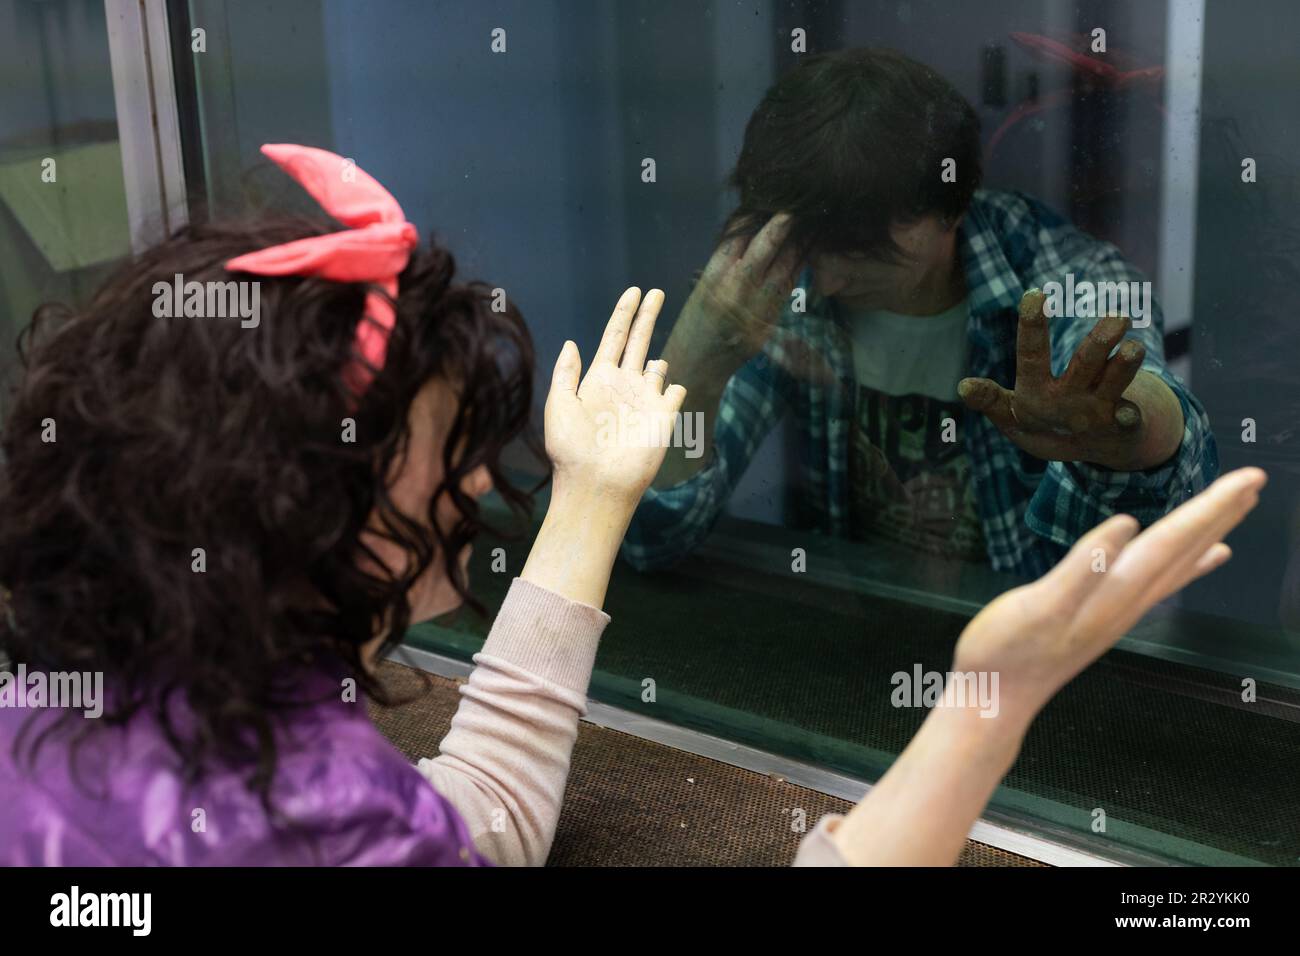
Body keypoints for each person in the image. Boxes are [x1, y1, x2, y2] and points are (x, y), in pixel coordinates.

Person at [0, 144, 1262, 867]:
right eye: (448, 454)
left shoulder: (55, 709)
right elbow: (669, 531)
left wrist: (1123, 434)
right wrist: (989, 701)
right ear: (287, 497)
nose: (481, 486)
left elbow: (1190, 483)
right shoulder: (306, 814)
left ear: (941, 222)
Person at [623, 48, 1218, 579]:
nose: (827, 281)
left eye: (860, 254)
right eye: (814, 248)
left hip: (1035, 647)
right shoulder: (784, 278)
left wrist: (1125, 426)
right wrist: (693, 364)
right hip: (866, 638)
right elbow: (649, 543)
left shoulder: (1062, 270)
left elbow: (1161, 435)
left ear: (950, 210)